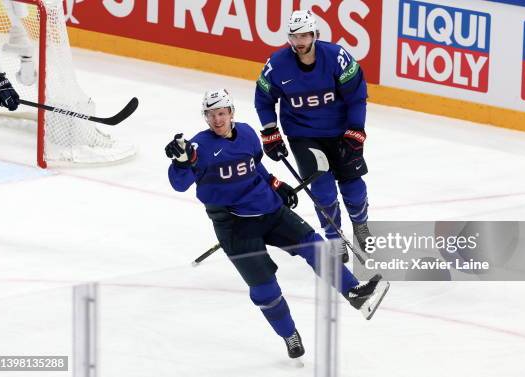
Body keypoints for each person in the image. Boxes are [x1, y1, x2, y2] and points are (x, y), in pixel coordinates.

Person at [166, 89, 388, 360]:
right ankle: (289, 334)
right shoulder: (198, 148)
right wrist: (180, 161)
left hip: (270, 210)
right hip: (234, 227)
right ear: (205, 117)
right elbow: (179, 184)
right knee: (265, 289)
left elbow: (255, 167)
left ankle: (355, 291)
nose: (217, 119)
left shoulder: (247, 133)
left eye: (221, 113)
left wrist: (275, 183)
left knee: (315, 246)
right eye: (211, 114)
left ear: (231, 113)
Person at [254, 9, 372, 262]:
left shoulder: (337, 57)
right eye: (295, 37)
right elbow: (263, 100)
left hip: (341, 132)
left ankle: (361, 225)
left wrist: (356, 129)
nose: (300, 42)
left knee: (353, 187)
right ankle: (335, 237)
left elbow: (357, 95)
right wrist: (270, 130)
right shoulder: (276, 65)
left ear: (315, 35)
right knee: (323, 191)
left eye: (305, 35)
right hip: (304, 135)